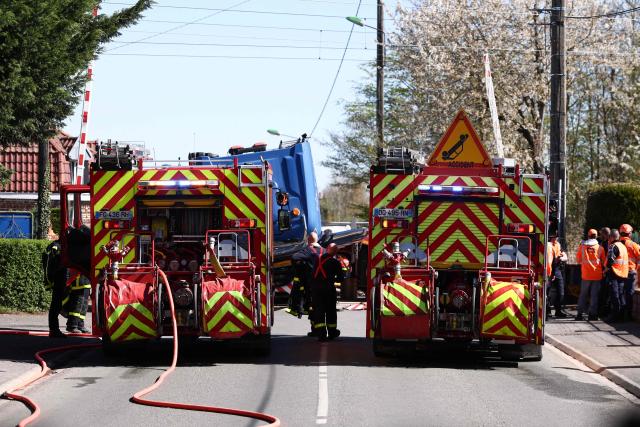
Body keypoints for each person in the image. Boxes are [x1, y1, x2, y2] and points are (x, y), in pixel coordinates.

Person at [294, 241, 344, 341]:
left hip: (316, 289)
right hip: (328, 289)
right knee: (330, 311)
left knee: (319, 311)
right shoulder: (335, 262)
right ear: (335, 252)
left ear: (327, 249)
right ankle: (332, 332)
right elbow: (340, 279)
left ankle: (321, 334)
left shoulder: (318, 259)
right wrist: (332, 279)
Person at [575, 229, 606, 321]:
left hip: (586, 275)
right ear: (596, 236)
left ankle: (579, 314)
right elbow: (604, 262)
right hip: (597, 275)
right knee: (594, 295)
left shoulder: (582, 247)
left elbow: (578, 260)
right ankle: (592, 315)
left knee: (583, 295)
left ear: (588, 236)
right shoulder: (601, 248)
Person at [42, 240, 68, 338]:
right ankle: (54, 330)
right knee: (55, 304)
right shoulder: (56, 246)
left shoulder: (58, 245)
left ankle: (54, 330)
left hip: (60, 279)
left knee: (57, 304)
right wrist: (50, 280)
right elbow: (50, 265)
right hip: (58, 279)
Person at [604, 229, 629, 323]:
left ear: (611, 237)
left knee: (615, 295)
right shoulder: (623, 246)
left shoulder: (613, 246)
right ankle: (622, 316)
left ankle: (615, 316)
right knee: (621, 295)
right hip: (622, 274)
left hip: (614, 273)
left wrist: (605, 270)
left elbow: (610, 259)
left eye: (609, 237)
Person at [619, 224, 639, 321]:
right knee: (629, 293)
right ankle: (629, 315)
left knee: (620, 293)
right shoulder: (633, 245)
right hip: (631, 272)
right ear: (629, 233)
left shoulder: (616, 244)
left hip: (618, 272)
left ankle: (620, 314)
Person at [546, 234, 568, 317]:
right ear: (550, 238)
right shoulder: (547, 245)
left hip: (557, 269)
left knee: (561, 292)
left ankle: (558, 311)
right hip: (549, 270)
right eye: (554, 237)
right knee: (547, 292)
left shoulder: (558, 244)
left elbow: (562, 252)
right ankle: (547, 311)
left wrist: (563, 256)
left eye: (556, 237)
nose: (556, 239)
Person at [598, 227, 612, 317]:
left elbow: (607, 258)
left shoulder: (607, 244)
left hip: (607, 271)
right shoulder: (605, 242)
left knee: (605, 292)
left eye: (601, 234)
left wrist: (605, 270)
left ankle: (604, 312)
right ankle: (603, 311)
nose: (600, 236)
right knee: (604, 292)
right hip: (605, 270)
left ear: (605, 234)